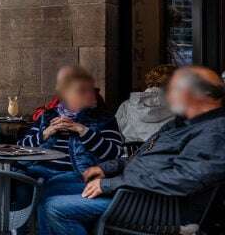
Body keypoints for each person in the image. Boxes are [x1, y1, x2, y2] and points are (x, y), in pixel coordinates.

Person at [38, 66, 225, 235]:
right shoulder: (181, 123)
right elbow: (143, 156)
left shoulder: (214, 131)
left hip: (157, 205)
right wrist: (108, 168)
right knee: (53, 188)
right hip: (133, 190)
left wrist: (111, 184)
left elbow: (184, 179)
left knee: (55, 207)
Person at [18, 65, 123, 199]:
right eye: (79, 91)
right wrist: (45, 133)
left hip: (76, 174)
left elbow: (115, 154)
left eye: (89, 91)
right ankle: (20, 220)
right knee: (15, 180)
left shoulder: (103, 118)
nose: (88, 95)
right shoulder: (48, 115)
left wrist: (83, 131)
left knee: (48, 188)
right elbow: (21, 148)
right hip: (39, 170)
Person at [114, 64, 176, 143]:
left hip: (135, 153)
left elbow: (118, 136)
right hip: (170, 153)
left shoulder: (125, 106)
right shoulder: (181, 108)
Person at [32, 64, 107, 121]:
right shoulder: (59, 105)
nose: (89, 95)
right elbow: (40, 114)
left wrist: (82, 130)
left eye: (90, 89)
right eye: (82, 91)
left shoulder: (101, 118)